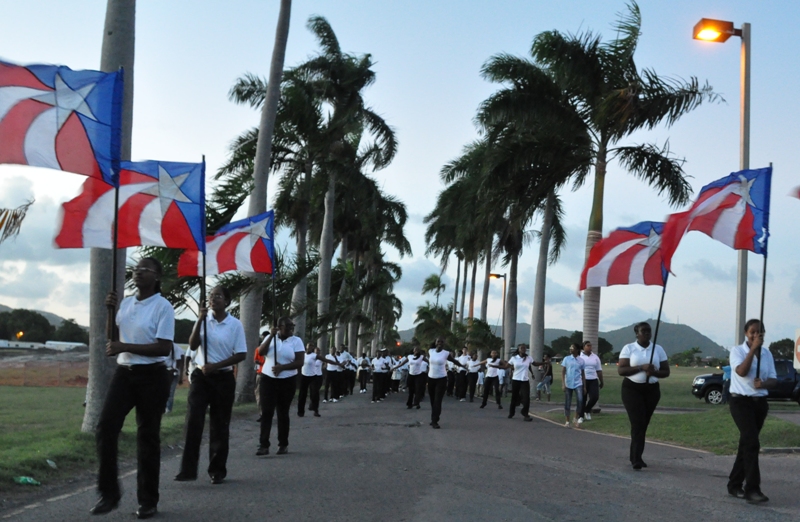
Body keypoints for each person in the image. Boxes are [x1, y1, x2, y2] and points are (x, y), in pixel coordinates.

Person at [92, 257, 174, 519]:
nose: (139, 273)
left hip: (153, 376)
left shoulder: (163, 307)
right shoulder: (126, 303)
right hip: (125, 373)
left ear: (157, 277)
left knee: (147, 436)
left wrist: (124, 347)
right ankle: (109, 494)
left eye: (146, 270)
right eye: (137, 269)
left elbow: (164, 347)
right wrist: (109, 310)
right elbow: (112, 341)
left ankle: (148, 501)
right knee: (106, 426)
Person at [175, 286, 246, 485]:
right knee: (193, 420)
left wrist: (216, 365)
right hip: (201, 376)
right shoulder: (204, 321)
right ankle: (187, 470)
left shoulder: (235, 325)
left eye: (218, 296)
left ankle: (217, 470)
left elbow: (241, 354)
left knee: (219, 424)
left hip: (223, 378)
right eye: (211, 296)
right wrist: (199, 320)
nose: (213, 299)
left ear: (227, 301)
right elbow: (193, 345)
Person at [726, 319, 776, 503]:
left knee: (747, 443)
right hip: (741, 402)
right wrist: (753, 349)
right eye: (752, 332)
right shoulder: (737, 351)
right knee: (752, 442)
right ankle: (752, 489)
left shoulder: (767, 354)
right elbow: (741, 371)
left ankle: (734, 484)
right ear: (746, 333)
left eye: (759, 332)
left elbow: (774, 379)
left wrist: (764, 384)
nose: (756, 335)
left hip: (760, 403)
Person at [618, 322, 670, 470]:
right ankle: (636, 458)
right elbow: (621, 371)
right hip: (632, 389)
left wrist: (654, 372)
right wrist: (641, 367)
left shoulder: (657, 349)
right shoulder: (629, 348)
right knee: (638, 422)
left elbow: (666, 372)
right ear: (637, 333)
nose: (647, 333)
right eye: (643, 331)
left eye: (649, 331)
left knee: (644, 424)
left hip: (652, 389)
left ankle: (637, 455)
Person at [256, 317, 305, 456]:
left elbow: (300, 362)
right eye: (288, 326)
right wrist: (271, 335)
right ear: (279, 327)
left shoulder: (296, 341)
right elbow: (260, 352)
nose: (291, 328)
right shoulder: (271, 339)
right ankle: (263, 445)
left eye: (292, 326)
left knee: (282, 413)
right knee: (266, 412)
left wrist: (283, 367)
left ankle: (283, 443)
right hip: (268, 379)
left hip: (287, 380)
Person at [427, 338, 466, 428]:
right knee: (432, 400)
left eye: (441, 342)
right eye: (438, 341)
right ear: (435, 343)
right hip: (431, 378)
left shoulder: (446, 353)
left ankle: (435, 421)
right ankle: (433, 418)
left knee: (438, 400)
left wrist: (462, 366)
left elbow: (454, 361)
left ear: (444, 344)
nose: (440, 343)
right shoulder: (430, 351)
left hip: (441, 378)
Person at [502, 344, 535, 422]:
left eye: (524, 348)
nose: (523, 349)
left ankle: (525, 413)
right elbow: (506, 366)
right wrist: (496, 366)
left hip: (525, 380)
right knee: (514, 397)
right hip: (516, 380)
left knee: (526, 398)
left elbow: (534, 364)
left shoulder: (528, 358)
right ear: (518, 349)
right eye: (521, 348)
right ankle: (511, 413)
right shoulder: (514, 358)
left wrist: (544, 363)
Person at [562, 343, 586, 428]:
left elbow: (583, 373)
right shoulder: (567, 359)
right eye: (570, 348)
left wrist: (584, 386)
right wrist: (563, 383)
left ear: (577, 350)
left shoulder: (581, 360)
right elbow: (563, 371)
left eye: (572, 348)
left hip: (578, 383)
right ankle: (567, 421)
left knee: (580, 400)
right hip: (568, 383)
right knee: (568, 402)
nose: (570, 349)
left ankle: (575, 418)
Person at [298, 343, 323, 417]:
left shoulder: (314, 355)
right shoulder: (302, 354)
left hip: (313, 376)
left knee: (315, 393)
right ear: (306, 347)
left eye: (311, 346)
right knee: (302, 394)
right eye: (309, 346)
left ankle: (316, 410)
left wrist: (338, 364)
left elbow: (325, 360)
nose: (310, 348)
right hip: (304, 376)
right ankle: (300, 411)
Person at [580, 341, 603, 420]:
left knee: (594, 397)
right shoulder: (580, 357)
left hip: (593, 379)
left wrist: (601, 381)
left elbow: (599, 370)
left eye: (590, 346)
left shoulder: (595, 357)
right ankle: (581, 416)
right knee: (583, 398)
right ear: (583, 347)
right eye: (588, 346)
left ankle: (587, 410)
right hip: (583, 379)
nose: (590, 347)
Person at [164, 343, 185, 414]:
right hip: (164, 371)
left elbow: (179, 361)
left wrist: (176, 370)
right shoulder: (162, 346)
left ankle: (168, 408)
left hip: (172, 372)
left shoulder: (174, 347)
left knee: (170, 391)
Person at [253, 331, 267, 421]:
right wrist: (263, 363)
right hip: (260, 373)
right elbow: (256, 360)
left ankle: (265, 413)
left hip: (267, 374)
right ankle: (262, 413)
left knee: (263, 395)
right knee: (259, 394)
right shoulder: (258, 349)